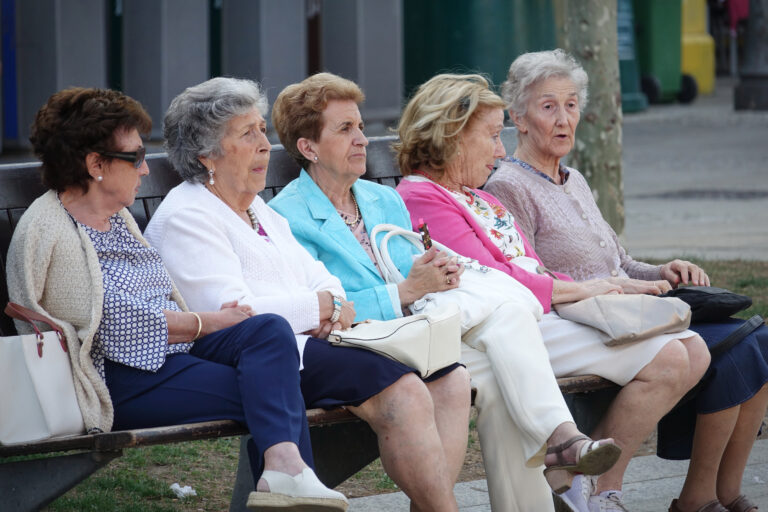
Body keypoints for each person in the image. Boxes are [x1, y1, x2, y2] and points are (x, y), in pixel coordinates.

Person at [268, 72, 622, 512]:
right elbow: (322, 307)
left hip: (419, 332)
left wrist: (436, 272)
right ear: (308, 147)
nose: (361, 139)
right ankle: (560, 441)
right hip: (361, 344)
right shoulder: (288, 217)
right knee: (506, 339)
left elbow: (412, 271)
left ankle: (551, 454)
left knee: (499, 375)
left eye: (360, 125)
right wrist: (404, 291)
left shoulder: (381, 199)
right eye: (345, 129)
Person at [5, 87, 348, 511]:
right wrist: (206, 322)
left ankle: (285, 473)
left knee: (268, 331)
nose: (146, 168)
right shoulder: (50, 228)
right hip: (115, 379)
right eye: (135, 157)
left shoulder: (116, 216)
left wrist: (216, 323)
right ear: (95, 165)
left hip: (171, 358)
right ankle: (288, 475)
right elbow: (109, 325)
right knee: (276, 389)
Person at [143, 77, 472, 512]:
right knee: (406, 391)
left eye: (263, 130)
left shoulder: (254, 207)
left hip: (309, 344)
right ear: (207, 154)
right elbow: (235, 316)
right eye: (248, 134)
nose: (265, 145)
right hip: (266, 360)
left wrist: (328, 306)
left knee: (449, 378)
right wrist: (317, 308)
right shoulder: (188, 215)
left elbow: (323, 281)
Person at [394, 72, 713, 512]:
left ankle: (576, 475)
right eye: (492, 136)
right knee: (674, 354)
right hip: (502, 326)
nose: (501, 151)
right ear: (452, 137)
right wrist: (587, 288)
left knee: (689, 349)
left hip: (534, 319)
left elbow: (533, 269)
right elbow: (493, 279)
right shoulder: (423, 197)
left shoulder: (479, 197)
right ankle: (578, 472)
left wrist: (606, 287)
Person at [484, 49, 768, 512]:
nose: (563, 119)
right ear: (518, 117)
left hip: (631, 312)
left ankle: (715, 493)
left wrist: (661, 272)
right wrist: (621, 288)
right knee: (719, 349)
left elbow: (619, 261)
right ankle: (605, 486)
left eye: (571, 105)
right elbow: (530, 276)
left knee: (756, 340)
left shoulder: (574, 179)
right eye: (548, 106)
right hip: (586, 320)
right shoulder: (509, 186)